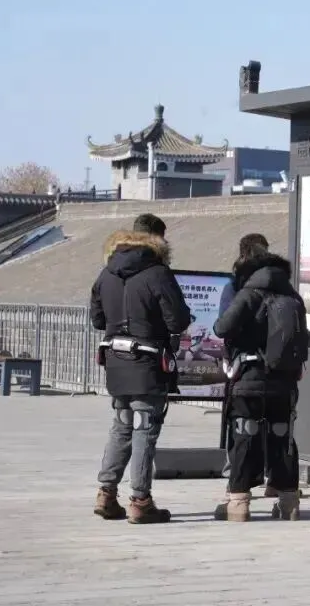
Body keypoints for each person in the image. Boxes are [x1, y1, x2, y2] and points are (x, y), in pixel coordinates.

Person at [90, 213, 191, 524]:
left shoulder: (107, 272)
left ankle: (106, 493)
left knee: (121, 424)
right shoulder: (158, 273)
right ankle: (140, 501)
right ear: (158, 238)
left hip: (115, 360)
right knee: (145, 427)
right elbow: (178, 320)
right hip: (147, 361)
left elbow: (97, 320)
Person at [212, 239, 307, 521]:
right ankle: (289, 503)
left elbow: (222, 328)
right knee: (282, 435)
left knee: (244, 434)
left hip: (249, 377)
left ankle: (239, 503)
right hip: (284, 381)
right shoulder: (293, 297)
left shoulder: (248, 294)